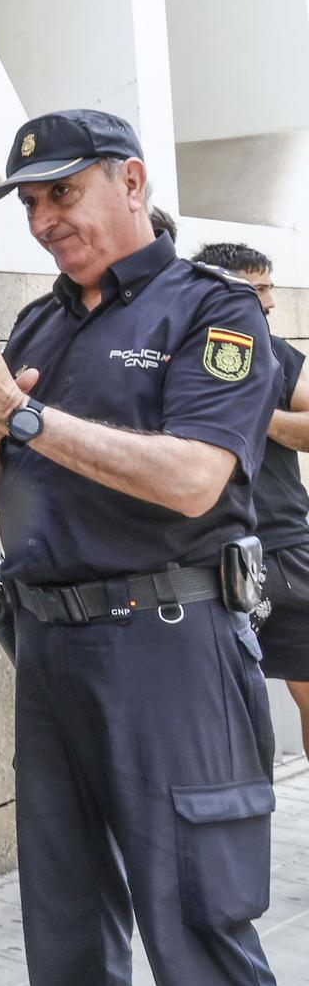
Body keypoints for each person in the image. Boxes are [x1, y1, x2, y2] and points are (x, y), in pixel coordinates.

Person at [0, 109, 287, 986]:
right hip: (50, 652)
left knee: (198, 929)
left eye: (63, 194)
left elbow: (194, 476)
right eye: (31, 203)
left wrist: (25, 416)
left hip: (169, 647)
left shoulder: (213, 309)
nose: (44, 219)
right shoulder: (38, 323)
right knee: (65, 935)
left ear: (132, 181)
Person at [192, 243, 309, 752]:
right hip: (202, 557)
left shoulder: (276, 352)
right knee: (215, 708)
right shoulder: (178, 352)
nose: (271, 302)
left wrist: (257, 412)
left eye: (269, 287)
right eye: (258, 289)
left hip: (286, 546)